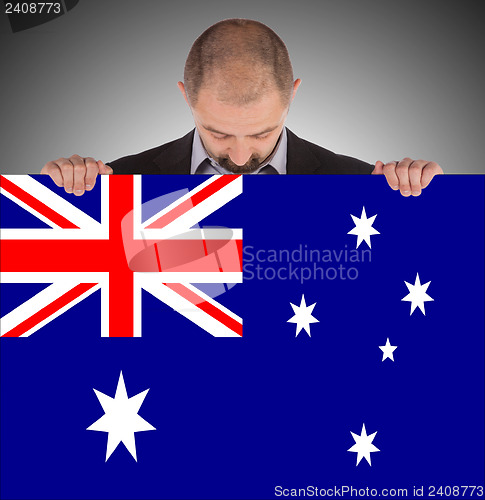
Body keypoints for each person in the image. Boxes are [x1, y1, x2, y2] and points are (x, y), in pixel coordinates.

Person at [41, 18, 443, 196]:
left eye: (261, 133)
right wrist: (59, 194)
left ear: (292, 96)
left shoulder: (360, 186)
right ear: (186, 96)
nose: (238, 157)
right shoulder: (116, 186)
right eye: (217, 132)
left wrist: (425, 199)